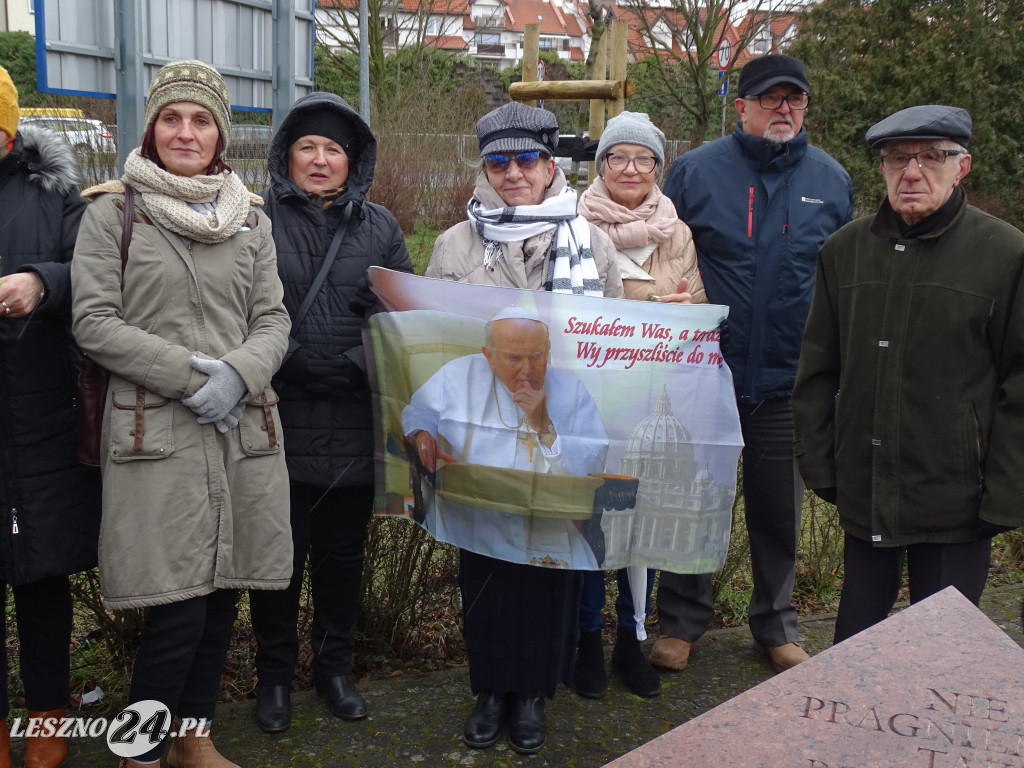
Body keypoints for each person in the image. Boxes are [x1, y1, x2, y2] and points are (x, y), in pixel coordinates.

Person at [71, 60, 292, 768]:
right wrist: (187, 375)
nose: (186, 132)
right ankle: (140, 748)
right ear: (151, 127)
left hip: (242, 425)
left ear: (220, 133)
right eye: (172, 118)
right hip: (155, 430)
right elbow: (94, 322)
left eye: (201, 120)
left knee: (225, 592)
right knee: (177, 606)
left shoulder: (249, 218)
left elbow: (274, 319)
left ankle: (191, 738)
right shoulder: (112, 213)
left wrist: (239, 374)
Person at [425, 100, 622, 755]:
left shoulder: (589, 240)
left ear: (550, 166)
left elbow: (612, 343)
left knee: (548, 568)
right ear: (485, 167)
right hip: (480, 438)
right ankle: (490, 689)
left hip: (557, 438)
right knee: (484, 568)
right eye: (499, 162)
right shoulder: (455, 243)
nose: (514, 173)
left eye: (527, 160)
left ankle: (534, 693)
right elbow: (432, 338)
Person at [792, 105, 1024, 643]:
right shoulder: (844, 252)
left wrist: (1006, 494)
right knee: (854, 644)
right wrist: (823, 465)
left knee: (939, 652)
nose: (912, 171)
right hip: (867, 486)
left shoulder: (1004, 255)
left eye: (931, 157)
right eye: (898, 158)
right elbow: (817, 370)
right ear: (882, 169)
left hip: (958, 496)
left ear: (962, 166)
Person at [658, 54, 853, 674]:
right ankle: (682, 622)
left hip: (784, 381)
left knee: (778, 511)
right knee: (694, 503)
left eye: (795, 99)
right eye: (771, 99)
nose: (784, 110)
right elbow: (663, 256)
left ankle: (775, 625)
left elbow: (841, 280)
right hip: (703, 376)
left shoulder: (832, 179)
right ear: (741, 107)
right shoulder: (694, 173)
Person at [249, 92, 413, 733]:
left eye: (334, 150)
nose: (320, 160)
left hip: (351, 419)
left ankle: (334, 669)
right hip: (273, 417)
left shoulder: (381, 228)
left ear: (354, 162)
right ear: (285, 153)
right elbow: (237, 305)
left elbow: (401, 315)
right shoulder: (253, 220)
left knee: (342, 558)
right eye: (308, 147)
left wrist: (351, 363)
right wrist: (286, 358)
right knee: (277, 560)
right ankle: (274, 679)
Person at [574, 111, 707, 699]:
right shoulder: (574, 224)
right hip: (590, 398)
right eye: (617, 158)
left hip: (651, 396)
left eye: (643, 158)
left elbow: (697, 306)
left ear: (658, 167)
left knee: (639, 521)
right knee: (587, 517)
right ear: (600, 166)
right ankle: (584, 639)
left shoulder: (676, 232)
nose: (631, 169)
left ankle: (630, 638)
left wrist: (683, 308)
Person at [0, 65, 101, 768]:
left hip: (36, 415)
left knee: (40, 579)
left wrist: (43, 281)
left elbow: (96, 274)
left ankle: (46, 721)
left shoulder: (53, 195)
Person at [402, 308, 609, 568]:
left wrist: (545, 428)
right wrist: (421, 432)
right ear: (489, 356)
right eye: (514, 358)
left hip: (551, 535)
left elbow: (591, 468)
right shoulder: (460, 374)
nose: (528, 369)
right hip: (480, 528)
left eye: (536, 356)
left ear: (548, 351)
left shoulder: (572, 390)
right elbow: (419, 410)